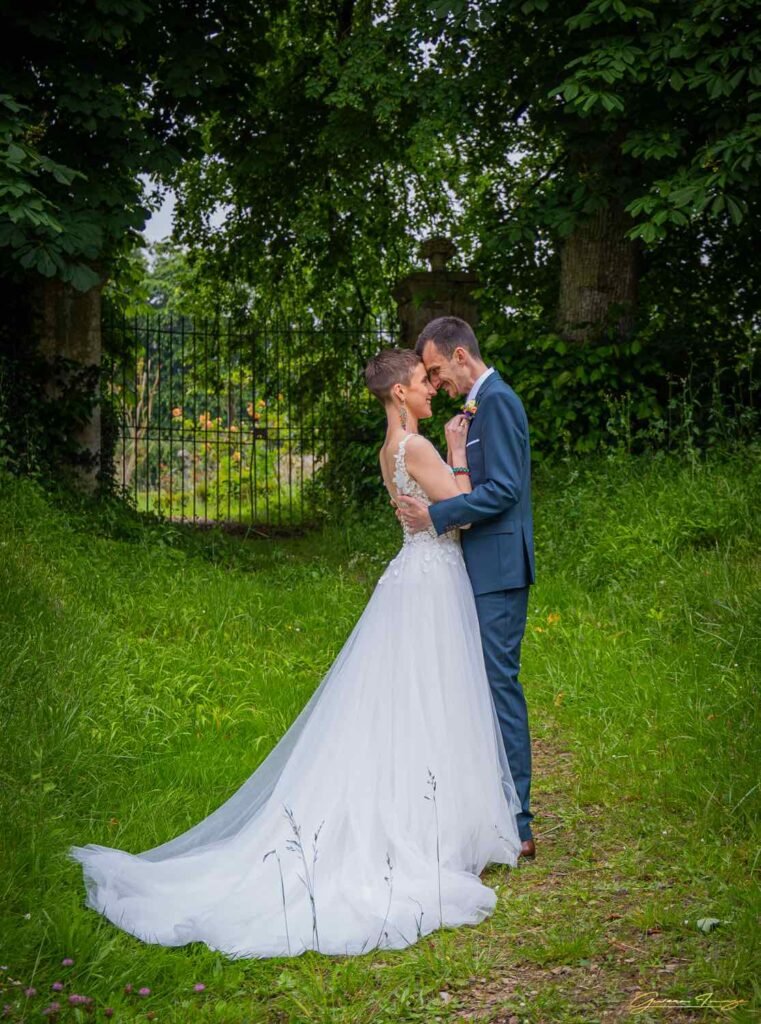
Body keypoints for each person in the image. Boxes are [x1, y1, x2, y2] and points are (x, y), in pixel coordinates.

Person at [70, 348, 521, 960]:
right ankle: (429, 829)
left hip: (412, 577)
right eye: (421, 382)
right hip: (432, 581)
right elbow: (458, 515)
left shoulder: (387, 450)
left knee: (407, 701)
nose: (429, 390)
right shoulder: (417, 446)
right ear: (398, 393)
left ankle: (429, 818)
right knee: (429, 697)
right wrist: (459, 452)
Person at [396, 317, 536, 858]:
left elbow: (503, 490)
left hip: (499, 569)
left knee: (498, 686)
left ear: (460, 355)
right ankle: (486, 808)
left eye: (436, 370)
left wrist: (437, 516)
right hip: (475, 566)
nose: (436, 383)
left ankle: (518, 822)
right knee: (474, 686)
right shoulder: (477, 408)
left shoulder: (498, 402)